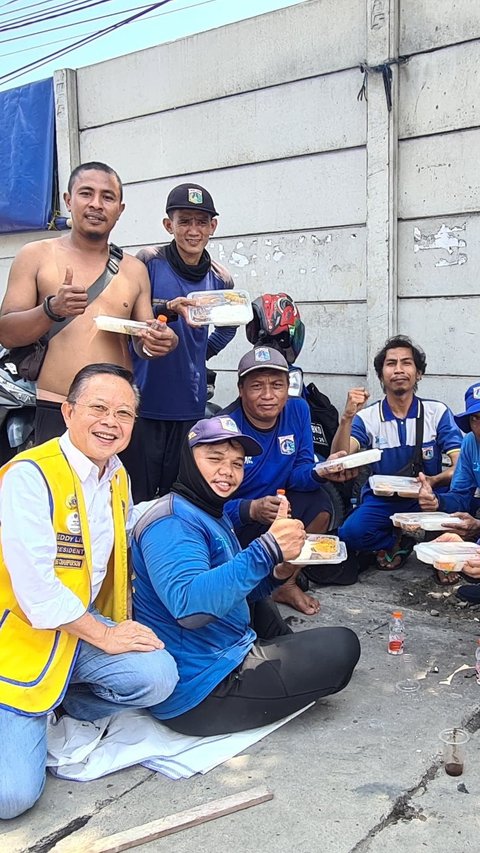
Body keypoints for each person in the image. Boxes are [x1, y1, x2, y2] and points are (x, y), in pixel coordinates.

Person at [0, 364, 178, 820]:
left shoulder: (116, 475)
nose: (111, 422)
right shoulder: (29, 476)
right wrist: (105, 636)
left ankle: (50, 709)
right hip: (20, 639)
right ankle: (23, 715)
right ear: (67, 410)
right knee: (11, 797)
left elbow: (126, 527)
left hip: (75, 631)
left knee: (158, 677)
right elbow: (38, 593)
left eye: (124, 413)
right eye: (98, 408)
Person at [131, 415, 360, 737]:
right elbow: (190, 609)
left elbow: (235, 587)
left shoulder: (206, 509)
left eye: (237, 463)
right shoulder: (171, 523)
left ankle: (278, 656)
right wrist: (266, 549)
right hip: (203, 690)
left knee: (266, 605)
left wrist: (278, 571)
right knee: (343, 645)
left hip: (223, 647)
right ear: (187, 460)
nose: (227, 471)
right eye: (214, 459)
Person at [0, 161, 177, 444]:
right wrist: (51, 309)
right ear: (69, 201)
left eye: (107, 197)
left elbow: (143, 342)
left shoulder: (134, 269)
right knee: (58, 488)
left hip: (117, 411)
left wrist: (161, 341)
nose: (96, 204)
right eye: (86, 193)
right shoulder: (35, 255)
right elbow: (7, 332)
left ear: (120, 209)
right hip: (58, 406)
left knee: (115, 488)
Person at [222, 346, 358, 616]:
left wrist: (321, 471)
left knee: (320, 505)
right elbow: (208, 506)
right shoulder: (225, 428)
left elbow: (301, 471)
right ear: (240, 389)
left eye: (277, 385)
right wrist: (251, 509)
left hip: (280, 509)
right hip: (236, 521)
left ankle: (285, 581)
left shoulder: (298, 410)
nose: (269, 395)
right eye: (257, 386)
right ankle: (250, 583)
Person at [122, 183, 237, 502]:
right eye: (184, 221)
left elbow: (229, 327)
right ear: (168, 224)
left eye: (202, 222)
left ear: (213, 226)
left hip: (189, 404)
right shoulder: (147, 262)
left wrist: (200, 354)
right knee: (137, 494)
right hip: (143, 401)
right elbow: (127, 312)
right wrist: (163, 310)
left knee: (177, 494)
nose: (193, 230)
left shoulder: (221, 278)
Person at [333, 336, 463, 575]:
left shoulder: (437, 412)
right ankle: (396, 540)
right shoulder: (368, 417)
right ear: (382, 375)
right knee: (351, 534)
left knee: (461, 518)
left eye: (407, 363)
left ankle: (439, 549)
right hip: (384, 499)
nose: (399, 370)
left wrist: (434, 482)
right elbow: (339, 457)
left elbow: (460, 467)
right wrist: (347, 418)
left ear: (419, 373)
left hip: (430, 496)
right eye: (391, 364)